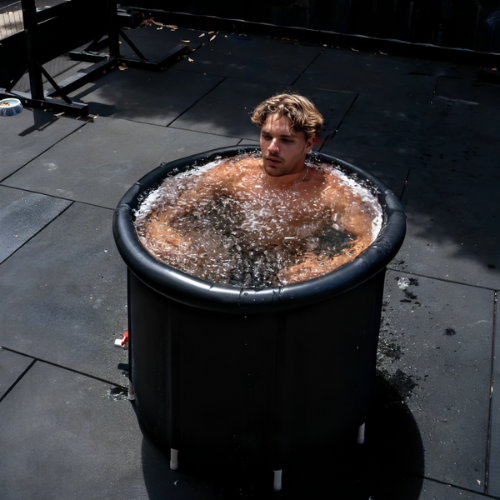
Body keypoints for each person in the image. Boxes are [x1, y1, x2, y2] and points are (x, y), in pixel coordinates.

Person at [140, 93, 377, 285]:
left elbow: (368, 240)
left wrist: (325, 266)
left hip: (288, 269)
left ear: (309, 144)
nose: (272, 148)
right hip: (227, 256)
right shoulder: (235, 173)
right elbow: (170, 205)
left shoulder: (329, 190)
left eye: (286, 140)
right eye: (267, 136)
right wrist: (160, 230)